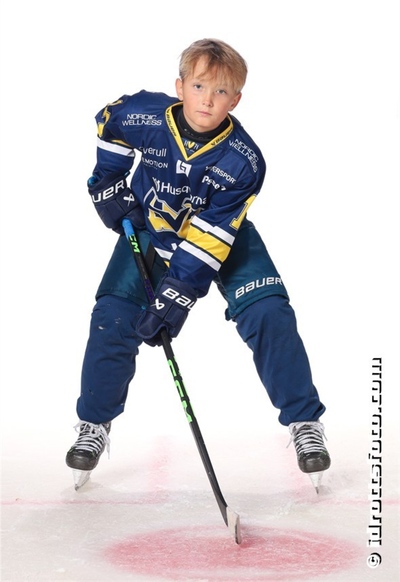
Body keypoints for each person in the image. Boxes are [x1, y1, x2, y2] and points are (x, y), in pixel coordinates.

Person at [66, 38, 331, 491]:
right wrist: (107, 183)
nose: (208, 100)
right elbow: (110, 122)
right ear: (180, 86)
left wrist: (176, 296)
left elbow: (209, 241)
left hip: (220, 237)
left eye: (221, 91)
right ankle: (94, 423)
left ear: (236, 99)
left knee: (269, 312)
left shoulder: (243, 160)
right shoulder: (145, 115)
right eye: (199, 86)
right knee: (113, 315)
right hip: (153, 227)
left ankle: (305, 421)